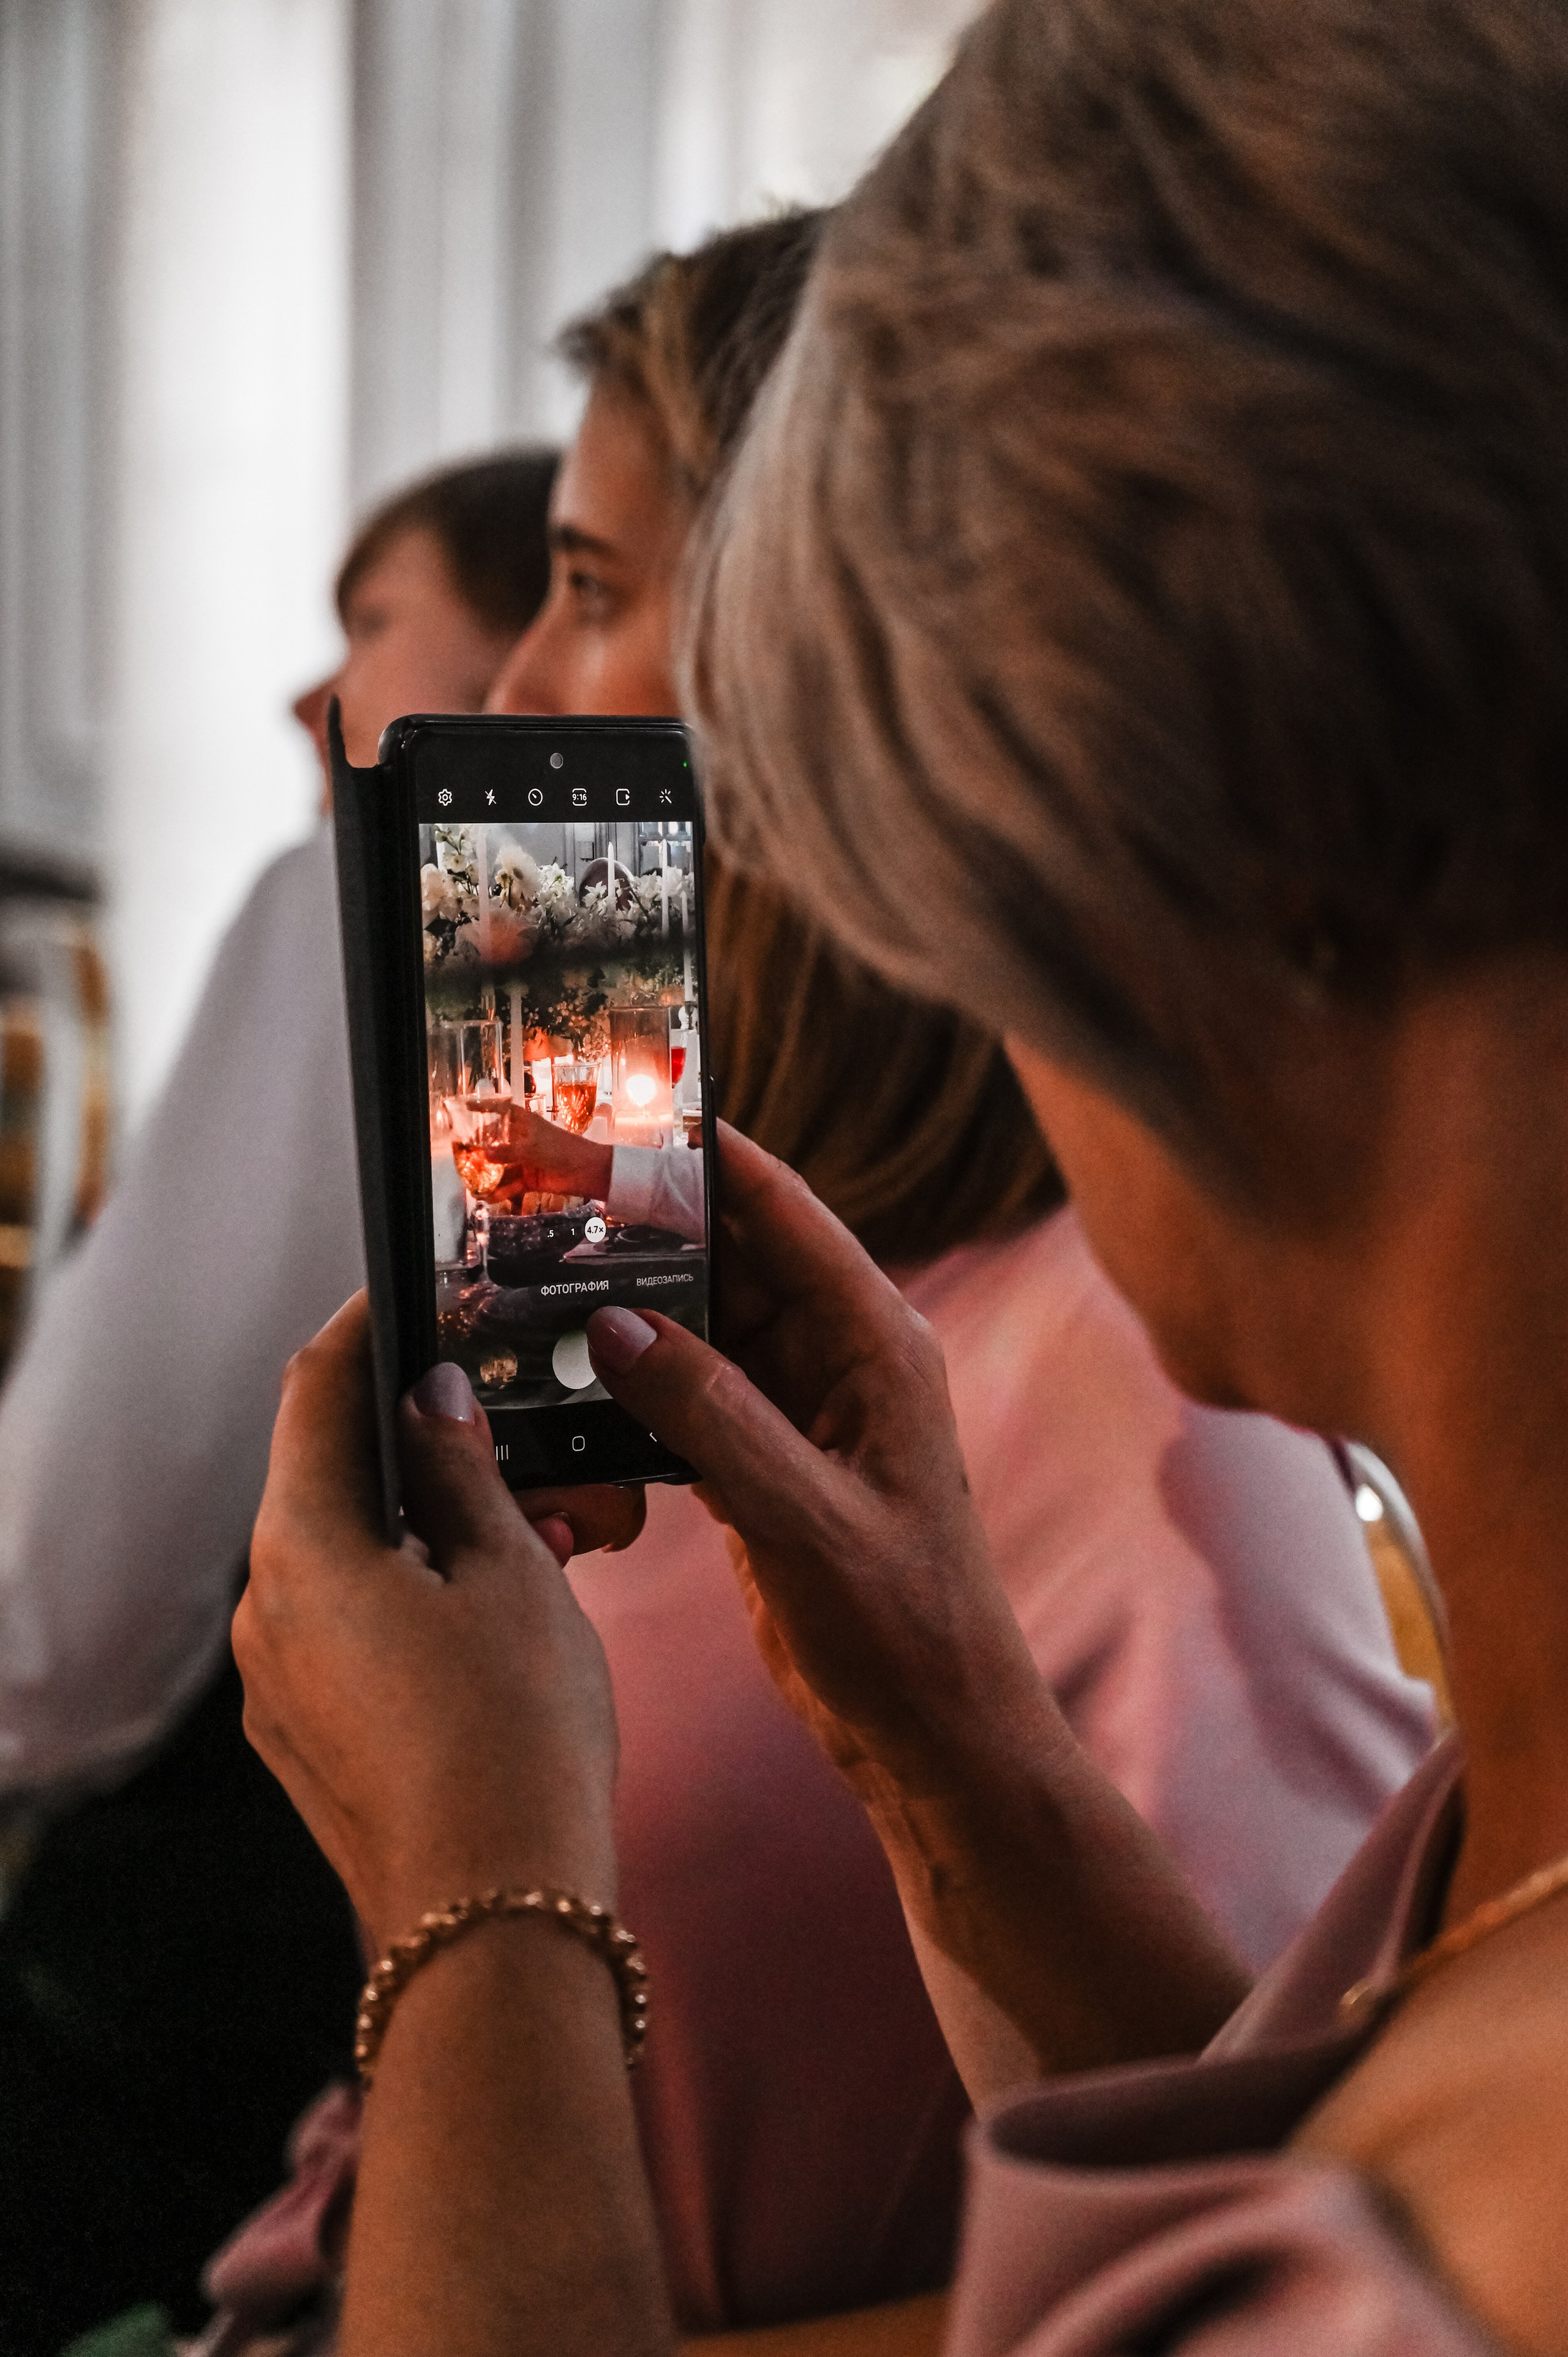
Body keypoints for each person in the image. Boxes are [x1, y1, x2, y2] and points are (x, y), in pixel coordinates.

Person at [235, 0, 1568, 2347]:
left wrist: (484, 1907)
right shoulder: (1501, 1847)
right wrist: (945, 1737)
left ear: (1205, 850)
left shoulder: (1464, 2254)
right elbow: (1267, 2145)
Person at [0, 451, 564, 2353]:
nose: (309, 700)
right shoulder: (598, 941)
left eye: (376, 626)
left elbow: (89, 1555)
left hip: (257, 1873)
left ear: (538, 655)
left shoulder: (406, 884)